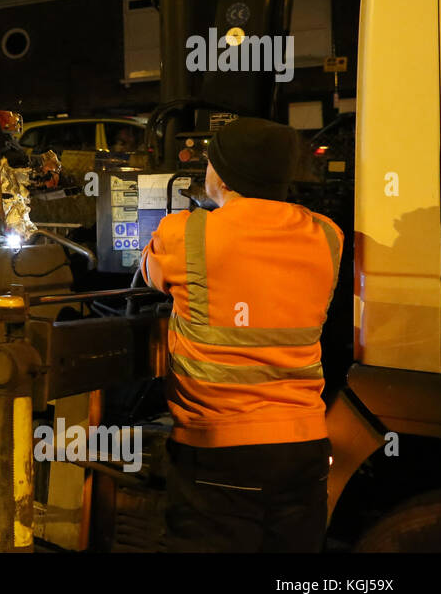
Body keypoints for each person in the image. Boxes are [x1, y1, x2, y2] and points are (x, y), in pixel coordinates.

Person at [140, 117, 343, 552]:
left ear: (224, 174)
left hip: (218, 448)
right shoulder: (328, 236)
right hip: (303, 444)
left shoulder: (185, 232)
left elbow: (150, 273)